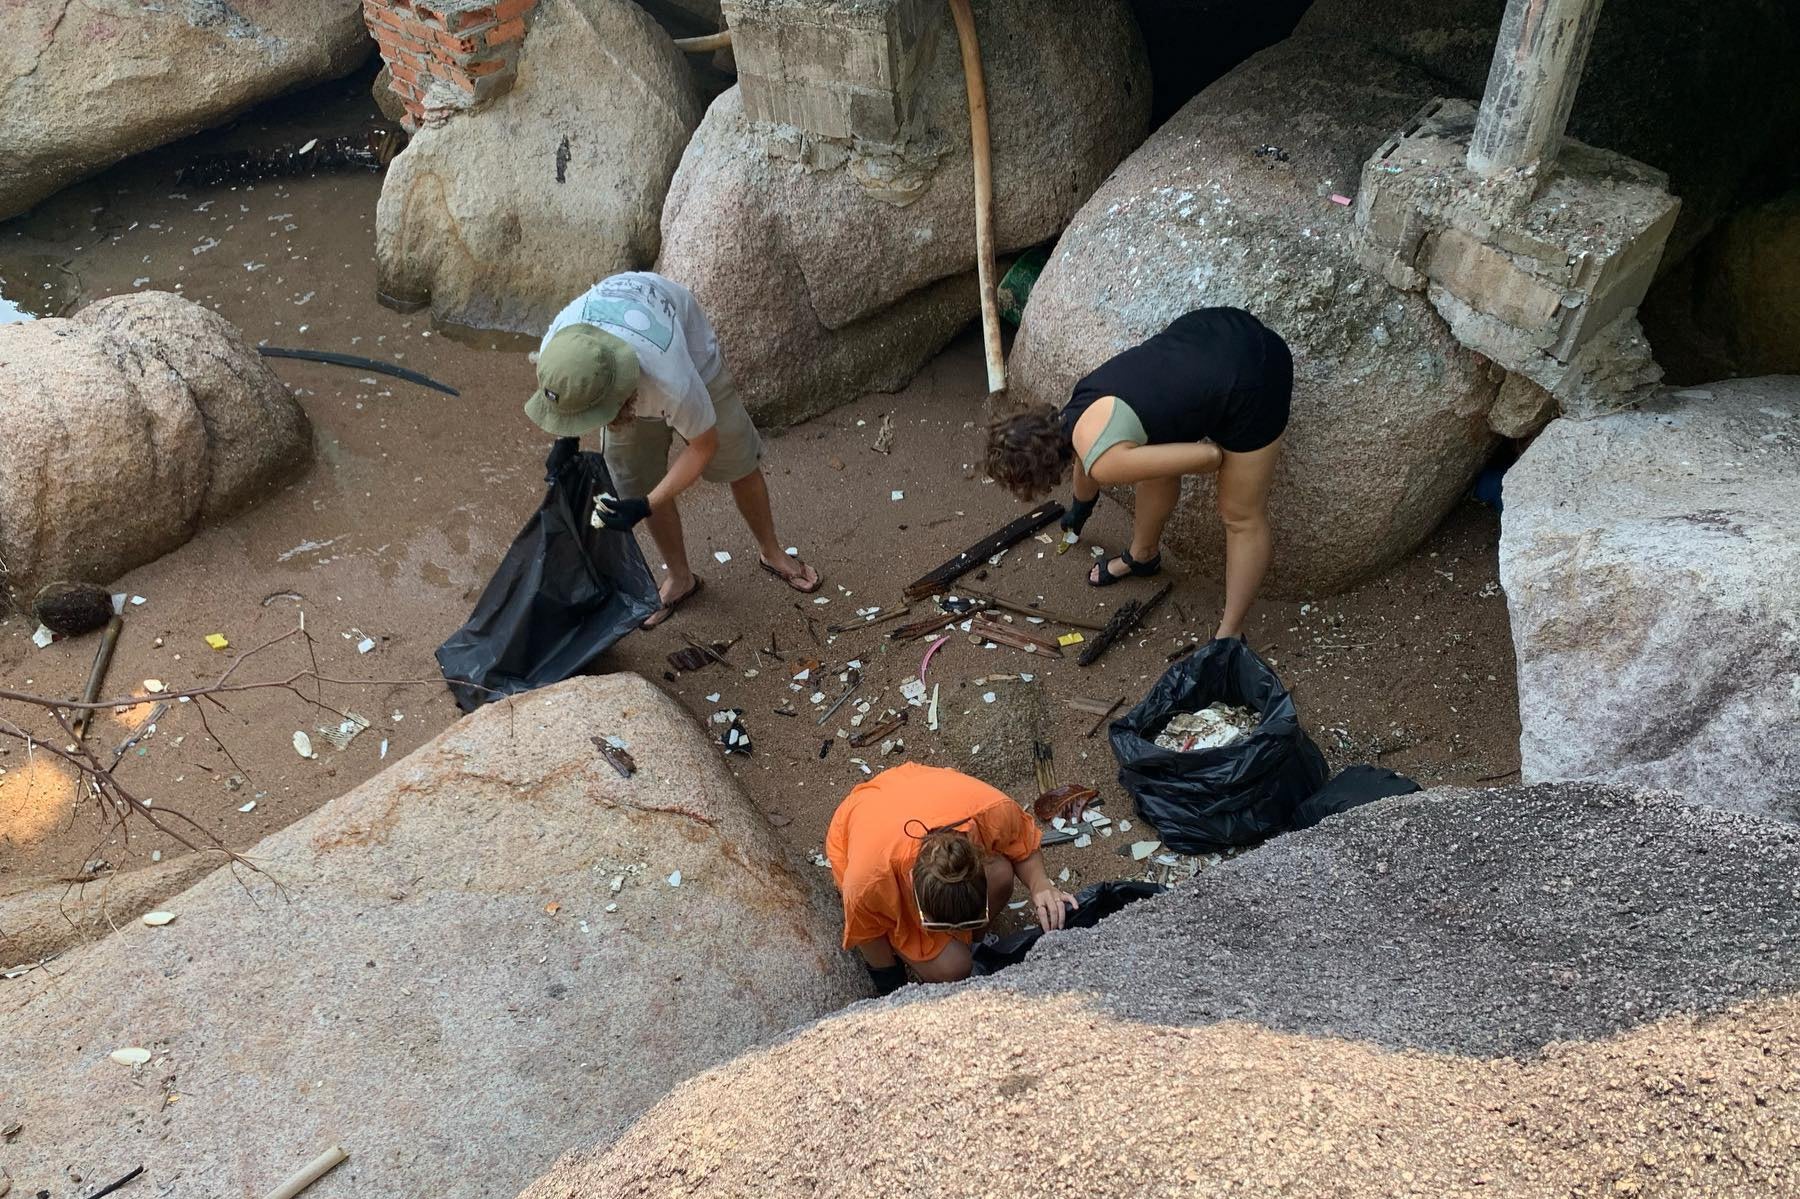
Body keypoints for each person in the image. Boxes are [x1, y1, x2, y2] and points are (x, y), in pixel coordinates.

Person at [526, 270, 820, 627]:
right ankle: (681, 577)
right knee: (635, 479)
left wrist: (646, 505)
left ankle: (772, 552)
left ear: (620, 396)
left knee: (738, 462)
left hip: (691, 359)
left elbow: (703, 445)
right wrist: (566, 441)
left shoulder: (672, 378)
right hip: (618, 349)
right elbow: (569, 403)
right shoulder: (556, 349)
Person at [983, 307, 1291, 641]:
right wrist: (1080, 508)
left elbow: (1209, 456)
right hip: (1212, 329)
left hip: (1253, 375)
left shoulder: (1103, 460)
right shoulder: (1077, 405)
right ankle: (1142, 556)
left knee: (1240, 516)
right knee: (1154, 467)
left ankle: (1229, 635)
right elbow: (1087, 466)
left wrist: (1183, 458)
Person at [825, 762, 1078, 993]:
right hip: (861, 818)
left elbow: (1020, 840)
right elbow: (869, 934)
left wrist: (1041, 885)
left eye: (970, 922)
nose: (959, 933)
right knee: (954, 968)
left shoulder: (992, 810)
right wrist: (894, 991)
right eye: (941, 927)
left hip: (916, 789)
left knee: (1001, 874)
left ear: (977, 858)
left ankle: (972, 944)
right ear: (913, 885)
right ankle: (948, 949)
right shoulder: (868, 880)